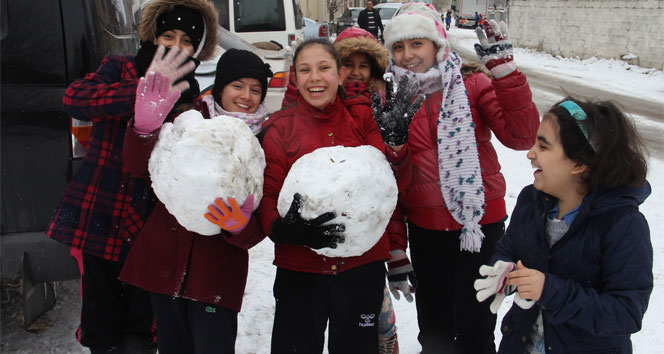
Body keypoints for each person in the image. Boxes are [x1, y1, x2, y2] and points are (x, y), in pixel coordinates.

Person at [46, 0, 218, 353]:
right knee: (102, 323)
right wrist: (137, 92)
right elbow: (75, 98)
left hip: (149, 224)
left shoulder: (190, 96)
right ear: (153, 35)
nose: (174, 46)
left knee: (142, 326)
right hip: (101, 214)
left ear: (197, 49)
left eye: (186, 40)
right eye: (167, 35)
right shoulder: (120, 67)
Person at [377, 3, 540, 353]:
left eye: (417, 43)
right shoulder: (389, 99)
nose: (407, 55)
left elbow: (522, 135)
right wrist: (395, 247)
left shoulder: (473, 83)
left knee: (476, 334)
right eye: (399, 47)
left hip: (482, 228)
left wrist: (506, 73)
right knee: (435, 336)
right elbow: (389, 182)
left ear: (438, 43)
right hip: (427, 232)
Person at [257, 38, 421, 354]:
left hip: (361, 270)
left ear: (341, 74)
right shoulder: (279, 128)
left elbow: (392, 185)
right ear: (294, 77)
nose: (314, 78)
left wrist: (397, 145)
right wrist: (280, 229)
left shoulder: (363, 117)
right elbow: (268, 196)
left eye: (324, 68)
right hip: (300, 271)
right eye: (305, 70)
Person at [119, 48, 272, 354]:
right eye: (237, 86)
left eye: (256, 90)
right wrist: (145, 129)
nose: (247, 96)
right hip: (165, 264)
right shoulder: (188, 123)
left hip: (216, 276)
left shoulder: (262, 142)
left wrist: (240, 227)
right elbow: (138, 167)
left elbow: (259, 225)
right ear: (220, 87)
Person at [475, 98, 652, 353]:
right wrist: (506, 271)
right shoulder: (530, 201)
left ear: (579, 164)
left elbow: (625, 313)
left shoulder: (623, 224)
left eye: (543, 147)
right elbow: (509, 248)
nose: (530, 153)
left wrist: (549, 291)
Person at [333, 27, 406, 354]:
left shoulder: (384, 111)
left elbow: (387, 190)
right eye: (348, 63)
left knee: (372, 327)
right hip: (329, 237)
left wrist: (396, 249)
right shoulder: (324, 104)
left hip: (369, 240)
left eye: (364, 65)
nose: (356, 73)